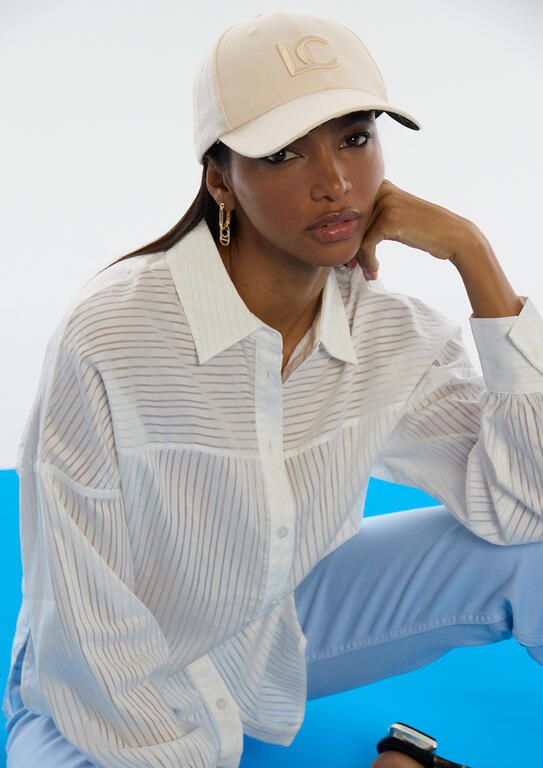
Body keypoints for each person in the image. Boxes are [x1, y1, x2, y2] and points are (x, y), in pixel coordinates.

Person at [4, 10, 543, 768]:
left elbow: (524, 508)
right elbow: (83, 614)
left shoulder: (390, 334)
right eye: (284, 153)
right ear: (220, 179)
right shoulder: (113, 336)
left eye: (354, 138)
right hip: (97, 698)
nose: (334, 183)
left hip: (271, 636)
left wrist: (473, 258)